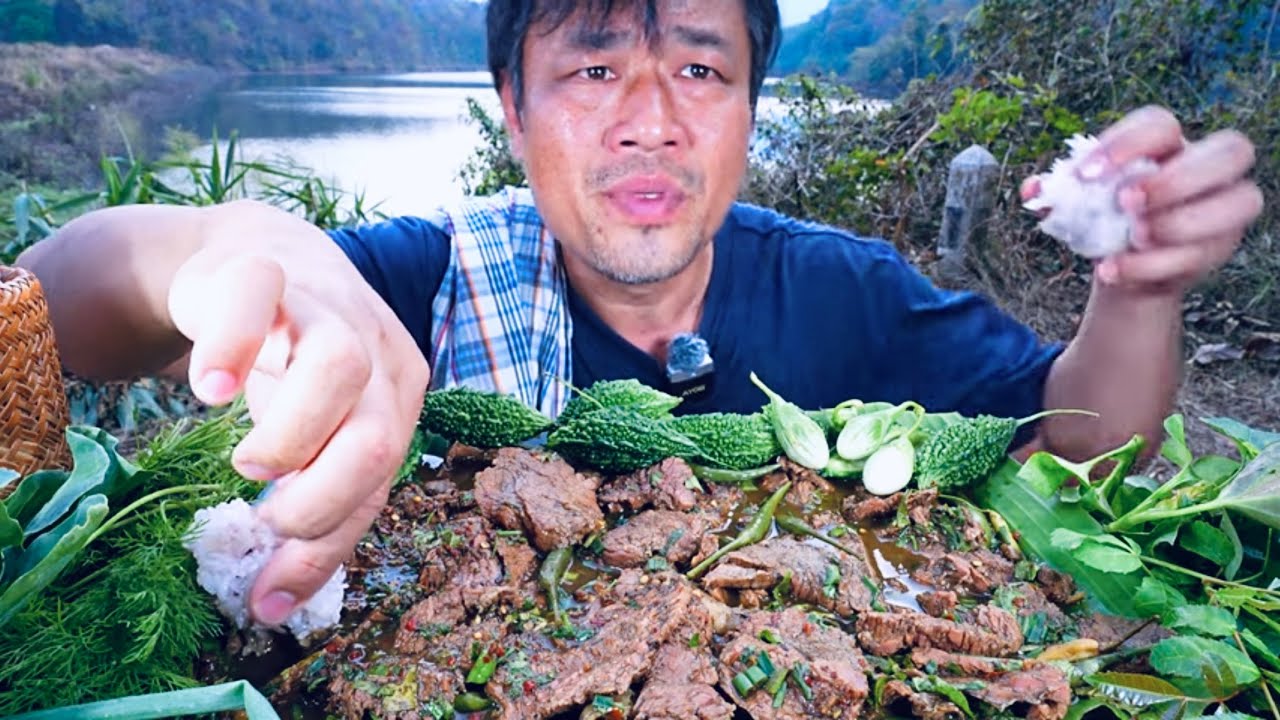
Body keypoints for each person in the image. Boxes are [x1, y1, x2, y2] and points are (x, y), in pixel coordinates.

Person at [16, 0, 1262, 629]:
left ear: (751, 108)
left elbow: (1091, 456)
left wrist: (1137, 290)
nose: (651, 115)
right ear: (511, 107)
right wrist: (231, 245)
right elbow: (62, 307)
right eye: (595, 67)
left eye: (702, 69)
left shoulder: (848, 292)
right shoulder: (420, 281)